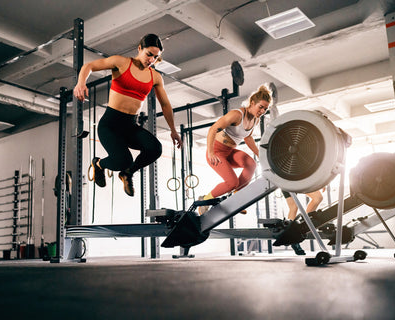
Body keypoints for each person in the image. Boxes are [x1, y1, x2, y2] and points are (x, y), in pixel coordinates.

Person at [73, 34, 182, 197]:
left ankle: (127, 174)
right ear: (140, 48)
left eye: (156, 57)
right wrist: (81, 83)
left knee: (155, 149)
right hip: (110, 124)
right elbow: (89, 66)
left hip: (130, 126)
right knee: (123, 160)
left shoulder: (155, 77)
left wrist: (173, 130)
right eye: (149, 54)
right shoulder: (121, 62)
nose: (151, 59)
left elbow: (165, 105)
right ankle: (99, 164)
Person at [198, 85, 272, 215]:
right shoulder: (237, 114)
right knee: (232, 182)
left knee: (251, 164)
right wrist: (210, 152)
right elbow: (213, 129)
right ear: (252, 103)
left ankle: (236, 198)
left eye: (265, 109)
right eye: (260, 107)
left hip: (229, 152)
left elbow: (248, 138)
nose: (262, 111)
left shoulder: (255, 119)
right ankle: (205, 199)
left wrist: (260, 155)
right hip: (216, 152)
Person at [282, 189, 324, 255]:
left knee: (318, 198)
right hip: (288, 182)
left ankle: (305, 221)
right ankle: (292, 239)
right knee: (294, 207)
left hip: (300, 181)